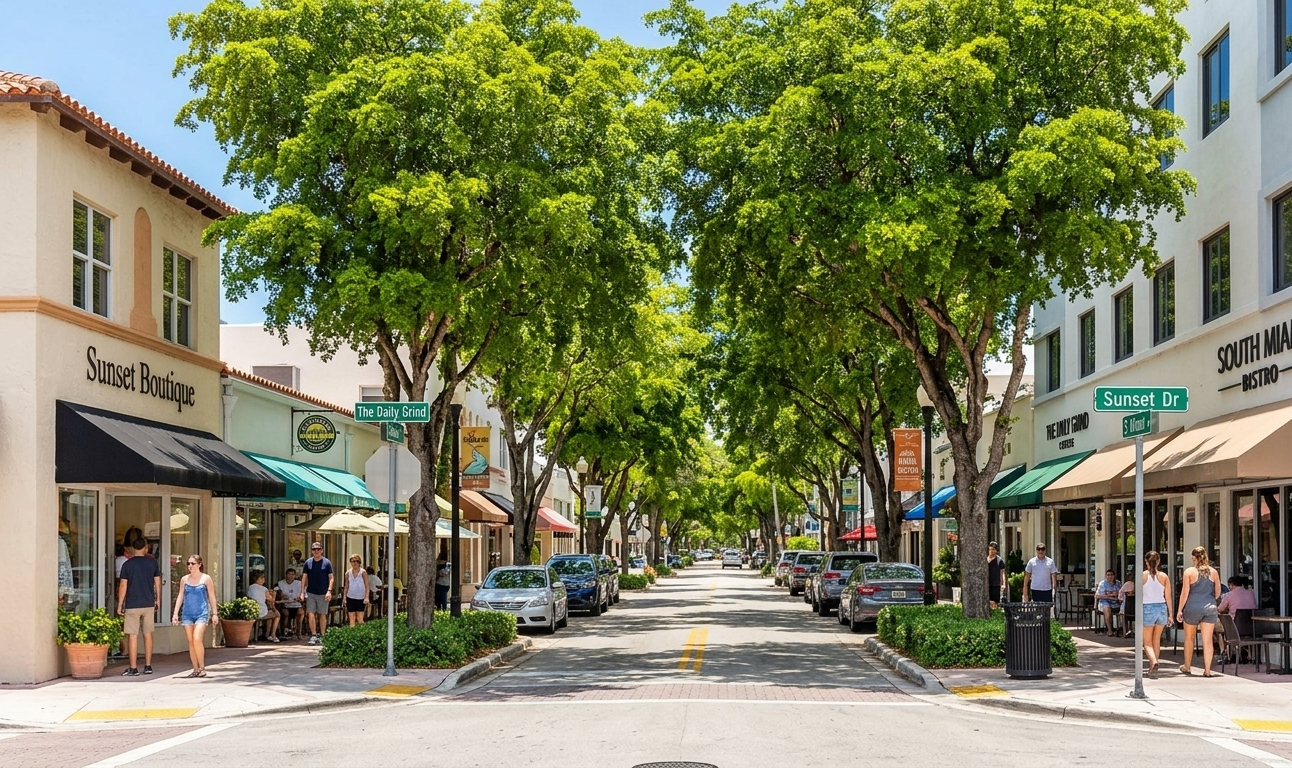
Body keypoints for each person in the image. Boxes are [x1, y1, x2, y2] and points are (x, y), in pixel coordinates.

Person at [116, 533, 161, 676]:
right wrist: (158, 599)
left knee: (132, 635)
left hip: (132, 604)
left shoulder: (127, 565)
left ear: (132, 548)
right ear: (145, 548)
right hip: (148, 603)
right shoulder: (152, 563)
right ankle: (148, 666)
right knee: (148, 634)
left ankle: (133, 667)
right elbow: (157, 583)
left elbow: (123, 585)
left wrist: (120, 604)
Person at [171, 554, 217, 678]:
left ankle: (202, 667)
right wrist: (175, 613)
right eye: (188, 564)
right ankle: (195, 668)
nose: (190, 566)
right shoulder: (184, 579)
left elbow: (211, 596)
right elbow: (180, 596)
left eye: (193, 563)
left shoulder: (206, 579)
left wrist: (215, 613)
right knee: (191, 641)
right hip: (187, 613)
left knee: (197, 639)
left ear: (199, 564)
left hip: (201, 613)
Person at [1178, 546, 1221, 677]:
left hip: (1192, 608)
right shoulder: (1213, 572)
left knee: (1189, 638)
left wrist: (1180, 609)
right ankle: (1207, 670)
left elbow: (1184, 593)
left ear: (1195, 558)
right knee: (1207, 640)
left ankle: (1187, 666)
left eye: (1192, 559)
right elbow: (1218, 592)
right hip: (1209, 608)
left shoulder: (1189, 572)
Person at [1141, 551, 1172, 678]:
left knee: (1147, 642)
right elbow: (1168, 597)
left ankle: (1153, 662)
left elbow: (1138, 594)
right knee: (1156, 640)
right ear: (1158, 561)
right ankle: (1153, 667)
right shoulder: (1164, 576)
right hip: (1162, 607)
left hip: (1147, 607)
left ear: (1146, 562)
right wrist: (1171, 614)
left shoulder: (1143, 576)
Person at [300, 542, 334, 645]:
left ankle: (323, 635)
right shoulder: (308, 563)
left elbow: (331, 578)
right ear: (312, 551)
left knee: (322, 615)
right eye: (314, 549)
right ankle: (314, 635)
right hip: (311, 592)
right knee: (311, 614)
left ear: (322, 550)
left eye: (318, 549)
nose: (316, 551)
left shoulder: (327, 563)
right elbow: (304, 578)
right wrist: (302, 592)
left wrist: (329, 591)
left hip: (323, 593)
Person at [247, 570, 279, 643]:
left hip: (253, 611)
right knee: (277, 614)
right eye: (261, 578)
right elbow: (271, 601)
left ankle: (267, 634)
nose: (263, 579)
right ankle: (273, 635)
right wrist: (274, 595)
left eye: (264, 578)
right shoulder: (264, 589)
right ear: (256, 579)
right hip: (261, 612)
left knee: (270, 615)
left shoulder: (250, 587)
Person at [276, 569, 304, 639]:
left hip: (296, 604)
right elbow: (279, 595)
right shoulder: (280, 583)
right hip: (285, 604)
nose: (291, 576)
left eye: (292, 574)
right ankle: (284, 632)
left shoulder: (299, 583)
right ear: (286, 575)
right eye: (289, 574)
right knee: (285, 613)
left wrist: (300, 598)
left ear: (295, 575)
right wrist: (281, 596)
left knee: (300, 612)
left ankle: (298, 632)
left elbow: (304, 595)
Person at [344, 556, 370, 626]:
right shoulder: (348, 573)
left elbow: (367, 585)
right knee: (351, 618)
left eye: (357, 561)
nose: (355, 563)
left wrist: (366, 597)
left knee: (360, 618)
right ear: (351, 562)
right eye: (353, 561)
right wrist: (344, 598)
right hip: (350, 597)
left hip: (360, 597)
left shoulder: (363, 572)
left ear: (359, 563)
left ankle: (361, 633)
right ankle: (352, 633)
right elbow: (346, 586)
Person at [1094, 569, 1121, 635]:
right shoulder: (1102, 583)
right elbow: (1097, 596)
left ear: (1114, 576)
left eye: (1111, 575)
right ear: (1106, 576)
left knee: (1125, 606)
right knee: (1107, 609)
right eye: (1108, 575)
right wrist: (1111, 595)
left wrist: (1108, 593)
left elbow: (1120, 593)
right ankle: (1109, 630)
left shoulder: (1118, 583)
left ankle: (1123, 629)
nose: (1110, 577)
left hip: (1116, 603)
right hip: (1104, 602)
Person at [987, 542, 1006, 609]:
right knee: (988, 602)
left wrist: (1003, 584)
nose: (992, 551)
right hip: (987, 584)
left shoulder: (999, 560)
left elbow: (1002, 572)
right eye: (990, 549)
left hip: (996, 584)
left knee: (995, 602)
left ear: (996, 550)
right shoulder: (985, 560)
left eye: (993, 549)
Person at [1117, 572, 1136, 637]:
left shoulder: (1127, 584)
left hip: (1127, 607)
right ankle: (1133, 629)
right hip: (1137, 608)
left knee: (1122, 614)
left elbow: (1120, 597)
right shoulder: (1139, 585)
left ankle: (1125, 631)